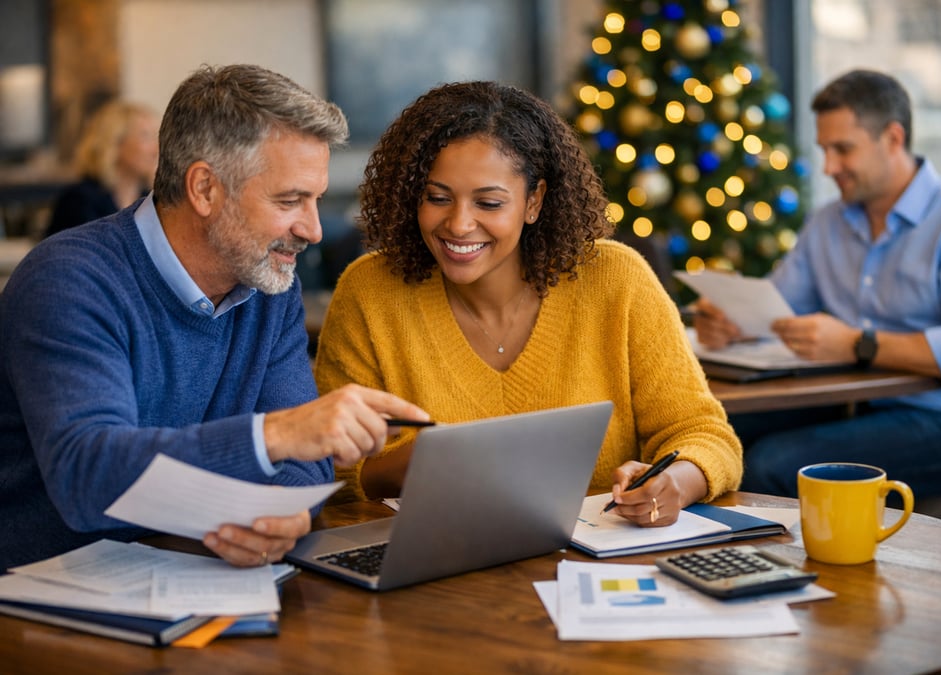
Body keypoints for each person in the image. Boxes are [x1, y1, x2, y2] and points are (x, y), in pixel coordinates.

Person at [0, 64, 429, 570]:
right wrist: (274, 434)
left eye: (314, 200)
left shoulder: (269, 284)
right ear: (204, 188)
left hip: (195, 579)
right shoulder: (70, 280)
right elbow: (87, 475)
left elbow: (305, 468)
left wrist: (281, 519)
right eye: (290, 200)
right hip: (48, 596)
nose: (313, 229)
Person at [313, 81, 743, 527]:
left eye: (489, 202)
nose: (458, 224)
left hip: (599, 569)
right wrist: (418, 463)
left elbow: (705, 435)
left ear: (533, 201)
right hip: (441, 576)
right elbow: (331, 477)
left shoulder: (617, 279)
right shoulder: (369, 292)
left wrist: (675, 481)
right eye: (437, 197)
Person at [694, 69, 941, 499]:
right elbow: (778, 305)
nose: (829, 168)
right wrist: (735, 322)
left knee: (770, 465)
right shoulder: (829, 223)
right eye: (825, 150)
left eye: (843, 150)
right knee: (709, 435)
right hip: (853, 407)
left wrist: (858, 344)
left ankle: (758, 565)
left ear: (893, 139)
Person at [45, 99, 160, 237]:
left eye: (156, 137)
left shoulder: (152, 200)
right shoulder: (80, 201)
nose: (156, 149)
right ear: (115, 143)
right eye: (145, 137)